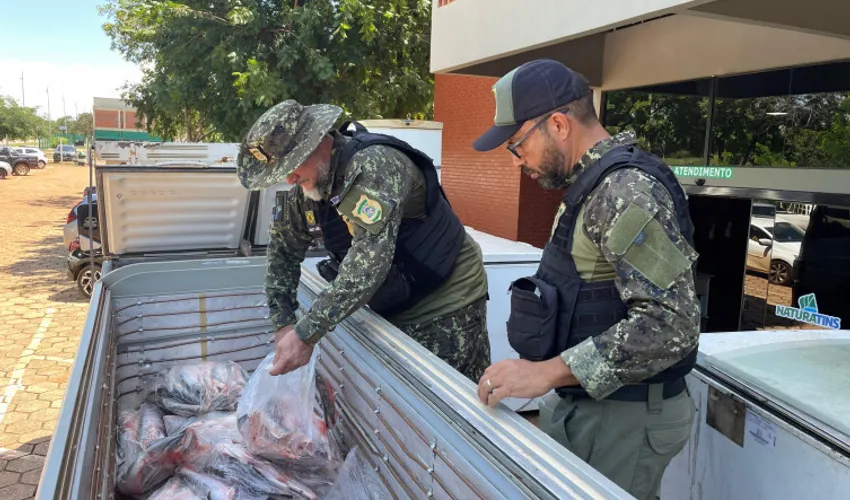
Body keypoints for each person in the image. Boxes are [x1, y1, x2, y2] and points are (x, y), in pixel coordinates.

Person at [470, 59, 700, 500]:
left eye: (517, 145)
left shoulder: (625, 190)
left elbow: (672, 322)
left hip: (623, 417)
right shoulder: (590, 185)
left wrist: (546, 373)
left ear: (557, 124)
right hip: (594, 408)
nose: (518, 162)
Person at [236, 99, 491, 382]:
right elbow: (282, 252)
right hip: (392, 300)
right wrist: (283, 322)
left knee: (443, 408)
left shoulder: (375, 166)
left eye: (292, 164)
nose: (289, 178)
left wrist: (306, 334)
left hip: (446, 301)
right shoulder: (304, 190)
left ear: (317, 142)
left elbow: (366, 266)